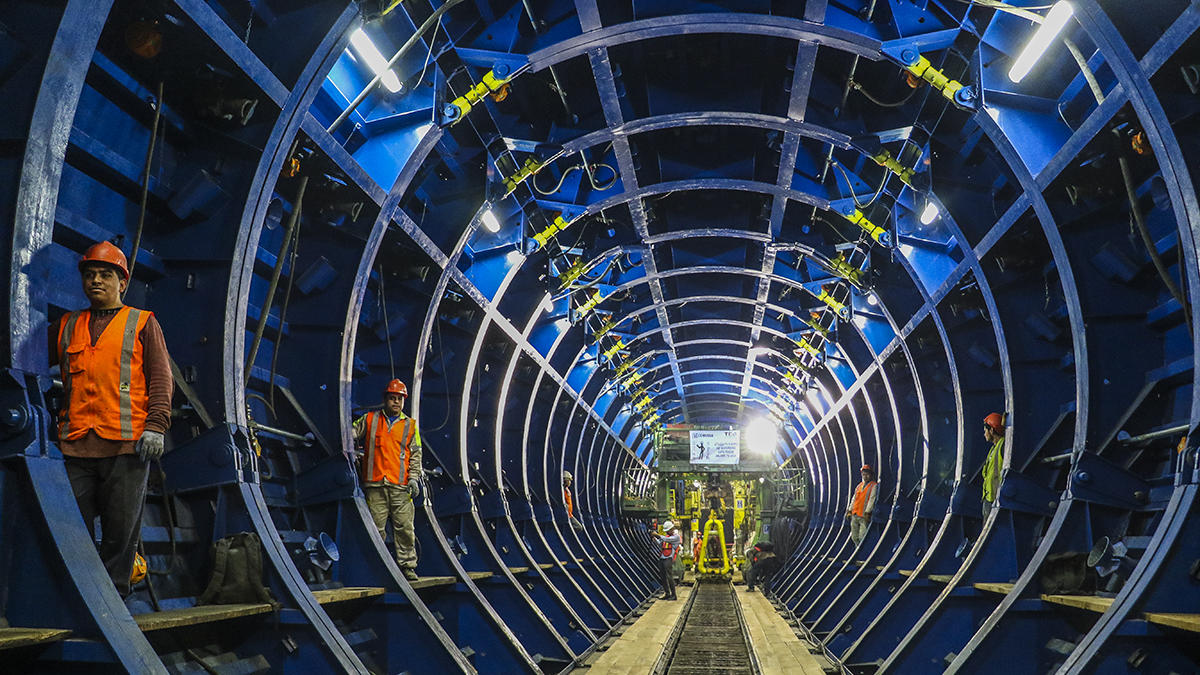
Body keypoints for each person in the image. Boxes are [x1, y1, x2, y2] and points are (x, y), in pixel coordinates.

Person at [50, 241, 173, 598]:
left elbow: (160, 377)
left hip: (126, 445)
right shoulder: (68, 325)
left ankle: (114, 601)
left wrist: (156, 426)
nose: (96, 281)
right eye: (90, 275)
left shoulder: (143, 323)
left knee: (121, 533)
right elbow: (22, 353)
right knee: (73, 527)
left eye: (105, 275)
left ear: (123, 282)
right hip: (76, 445)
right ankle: (83, 597)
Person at [353, 379, 423, 581]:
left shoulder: (411, 426)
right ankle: (377, 567)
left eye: (399, 399)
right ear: (385, 400)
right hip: (375, 485)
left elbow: (416, 454)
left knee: (405, 529)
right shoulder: (370, 419)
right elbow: (351, 432)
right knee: (375, 529)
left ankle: (407, 567)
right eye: (392, 398)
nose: (396, 402)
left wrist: (414, 479)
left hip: (400, 487)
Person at [846, 464, 878, 548]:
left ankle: (862, 554)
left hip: (863, 516)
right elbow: (854, 499)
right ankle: (858, 551)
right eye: (863, 474)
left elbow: (872, 499)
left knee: (862, 536)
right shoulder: (859, 486)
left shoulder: (873, 486)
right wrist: (849, 510)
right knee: (854, 537)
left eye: (867, 474)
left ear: (871, 475)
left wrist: (868, 512)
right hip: (855, 514)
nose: (865, 476)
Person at [981, 412, 1005, 518]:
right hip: (989, 498)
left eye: (985, 431)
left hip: (996, 499)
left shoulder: (1003, 446)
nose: (984, 434)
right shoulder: (993, 449)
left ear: (991, 430)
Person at [651, 520, 681, 600]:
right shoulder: (666, 536)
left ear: (672, 529)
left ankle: (674, 595)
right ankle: (667, 593)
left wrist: (657, 535)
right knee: (663, 576)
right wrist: (654, 538)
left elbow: (666, 539)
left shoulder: (676, 537)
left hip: (669, 558)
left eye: (668, 530)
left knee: (669, 576)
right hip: (662, 557)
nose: (667, 532)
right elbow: (660, 543)